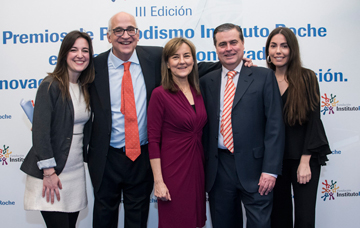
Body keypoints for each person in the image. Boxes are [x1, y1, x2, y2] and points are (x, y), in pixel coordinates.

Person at [87, 11, 253, 228]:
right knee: (103, 215)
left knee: (138, 218)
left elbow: (191, 64)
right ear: (108, 36)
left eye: (131, 30)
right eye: (118, 30)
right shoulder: (94, 66)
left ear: (138, 35)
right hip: (107, 156)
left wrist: (237, 64)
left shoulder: (154, 57)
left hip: (142, 157)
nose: (125, 35)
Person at [200, 23, 285, 228]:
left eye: (233, 42)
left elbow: (275, 126)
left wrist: (270, 170)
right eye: (222, 44)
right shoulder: (205, 81)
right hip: (219, 169)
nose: (228, 48)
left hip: (257, 170)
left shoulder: (264, 77)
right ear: (216, 48)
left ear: (243, 44)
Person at [20, 30, 95, 228]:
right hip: (52, 175)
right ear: (64, 53)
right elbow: (40, 132)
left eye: (85, 50)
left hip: (75, 174)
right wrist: (49, 172)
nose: (80, 55)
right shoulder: (50, 85)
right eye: (74, 49)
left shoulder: (85, 87)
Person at [266, 27, 331, 228]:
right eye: (274, 46)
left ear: (292, 49)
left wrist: (305, 162)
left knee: (304, 218)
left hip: (305, 158)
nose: (279, 51)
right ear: (267, 50)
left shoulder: (307, 77)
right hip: (275, 163)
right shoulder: (263, 80)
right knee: (279, 217)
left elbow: (314, 121)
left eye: (284, 46)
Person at [147, 37, 207, 228]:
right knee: (176, 221)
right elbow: (153, 140)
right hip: (173, 171)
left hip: (197, 167)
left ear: (194, 60)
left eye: (187, 56)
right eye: (175, 57)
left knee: (194, 221)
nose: (182, 61)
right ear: (167, 63)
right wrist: (158, 181)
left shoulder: (198, 91)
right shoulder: (160, 94)